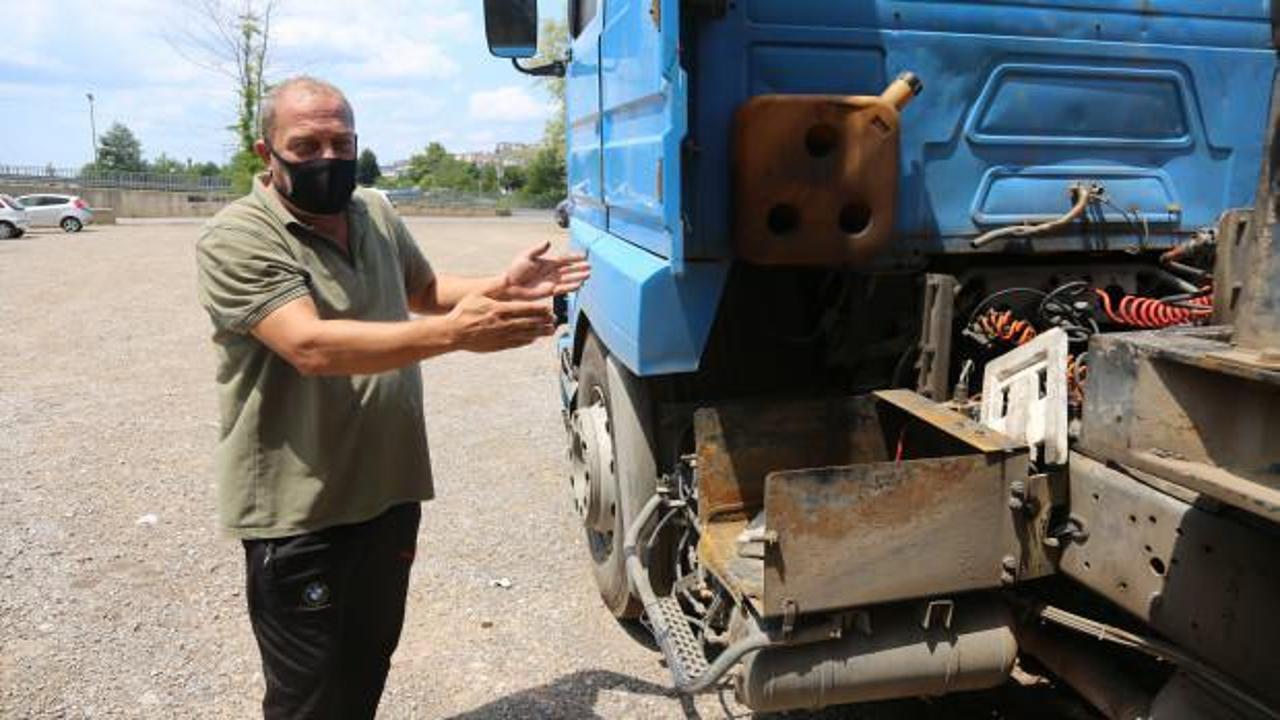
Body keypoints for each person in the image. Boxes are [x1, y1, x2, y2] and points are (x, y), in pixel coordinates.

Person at [195, 75, 588, 719]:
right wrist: (455, 337)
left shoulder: (373, 210)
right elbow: (310, 346)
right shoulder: (239, 237)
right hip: (303, 512)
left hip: (387, 494)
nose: (328, 156)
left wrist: (504, 284)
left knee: (363, 670)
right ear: (267, 154)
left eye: (341, 141)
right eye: (307, 143)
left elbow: (425, 291)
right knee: (310, 696)